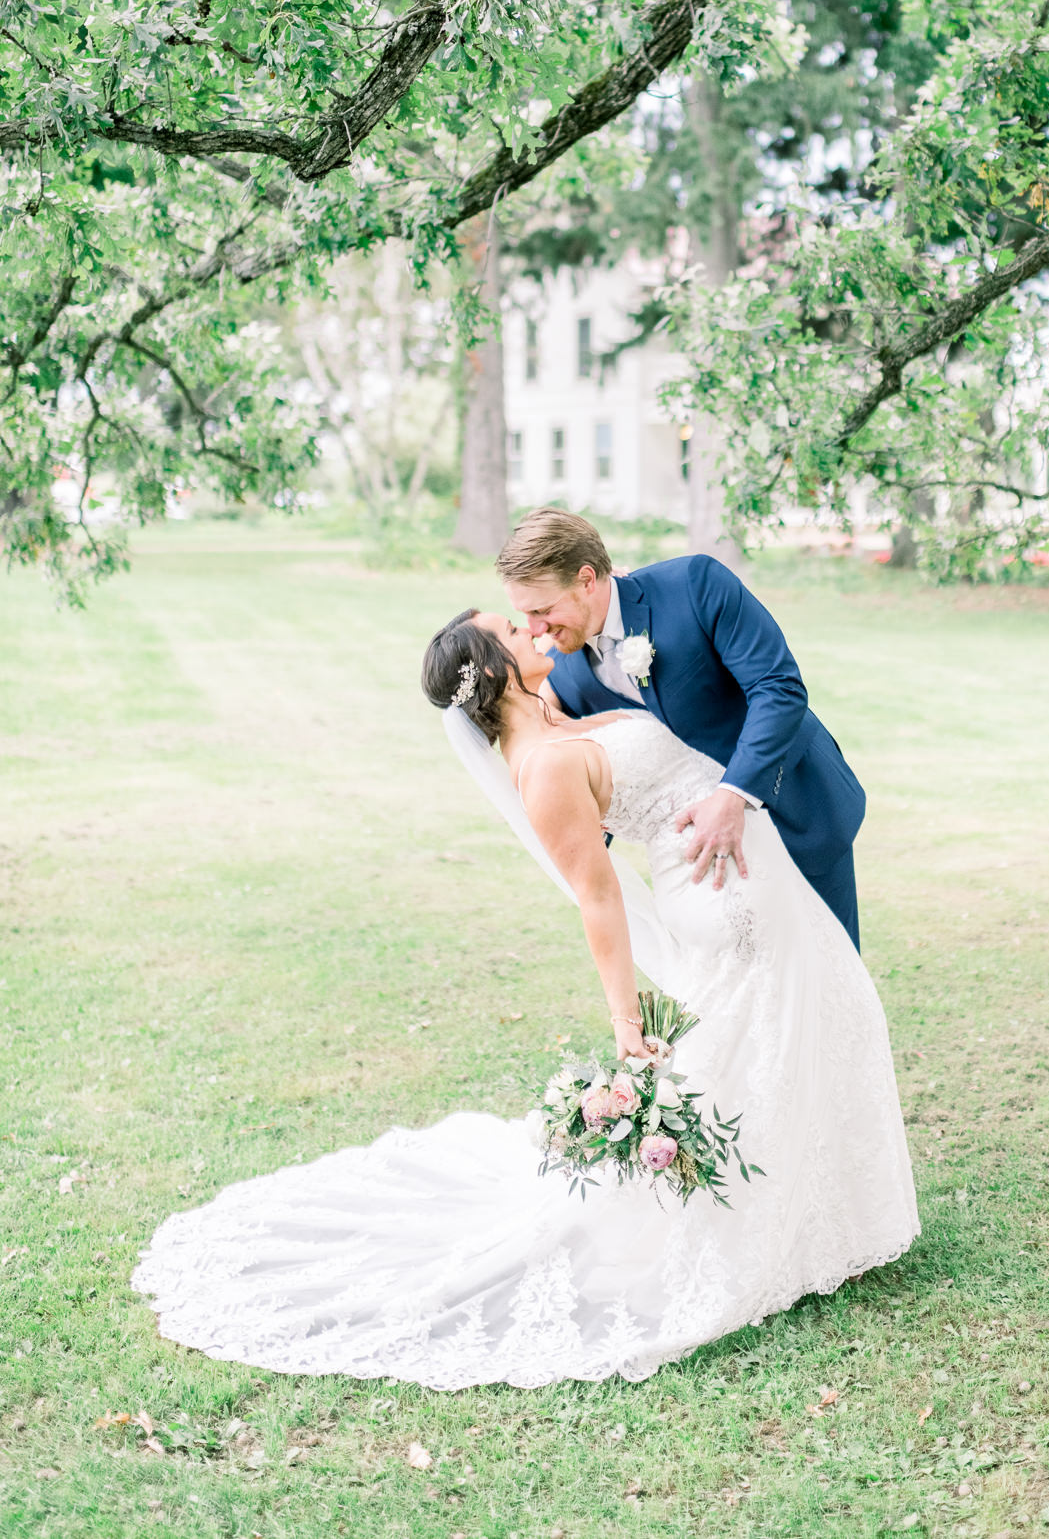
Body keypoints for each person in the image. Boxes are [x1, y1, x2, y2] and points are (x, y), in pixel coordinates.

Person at [131, 589, 917, 1391]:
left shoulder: (559, 715)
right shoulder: (539, 768)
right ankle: (780, 1228)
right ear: (493, 670)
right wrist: (624, 1022)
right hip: (727, 892)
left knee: (794, 1033)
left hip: (741, 864)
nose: (532, 629)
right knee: (779, 1036)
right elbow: (599, 897)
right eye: (513, 630)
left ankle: (815, 1215)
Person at [499, 508, 867, 947]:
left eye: (542, 610)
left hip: (797, 808)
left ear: (586, 580)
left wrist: (734, 795)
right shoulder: (564, 670)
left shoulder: (694, 585)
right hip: (713, 869)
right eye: (524, 615)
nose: (536, 629)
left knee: (833, 980)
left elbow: (778, 688)